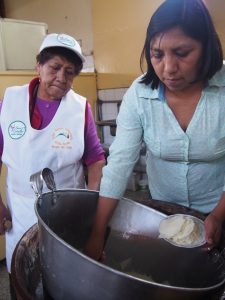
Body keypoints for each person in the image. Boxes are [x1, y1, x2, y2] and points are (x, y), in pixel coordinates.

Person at [85, 0, 225, 261]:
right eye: (157, 54)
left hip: (218, 212)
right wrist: (97, 232)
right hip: (162, 214)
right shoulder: (140, 94)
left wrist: (218, 214)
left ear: (207, 48)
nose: (168, 68)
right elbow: (119, 165)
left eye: (182, 53)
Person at [0, 33, 105, 277]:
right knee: (24, 272)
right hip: (22, 208)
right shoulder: (11, 101)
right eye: (55, 67)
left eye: (70, 72)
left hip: (68, 209)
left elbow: (96, 160)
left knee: (64, 274)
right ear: (39, 65)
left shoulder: (79, 108)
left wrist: (90, 205)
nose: (61, 77)